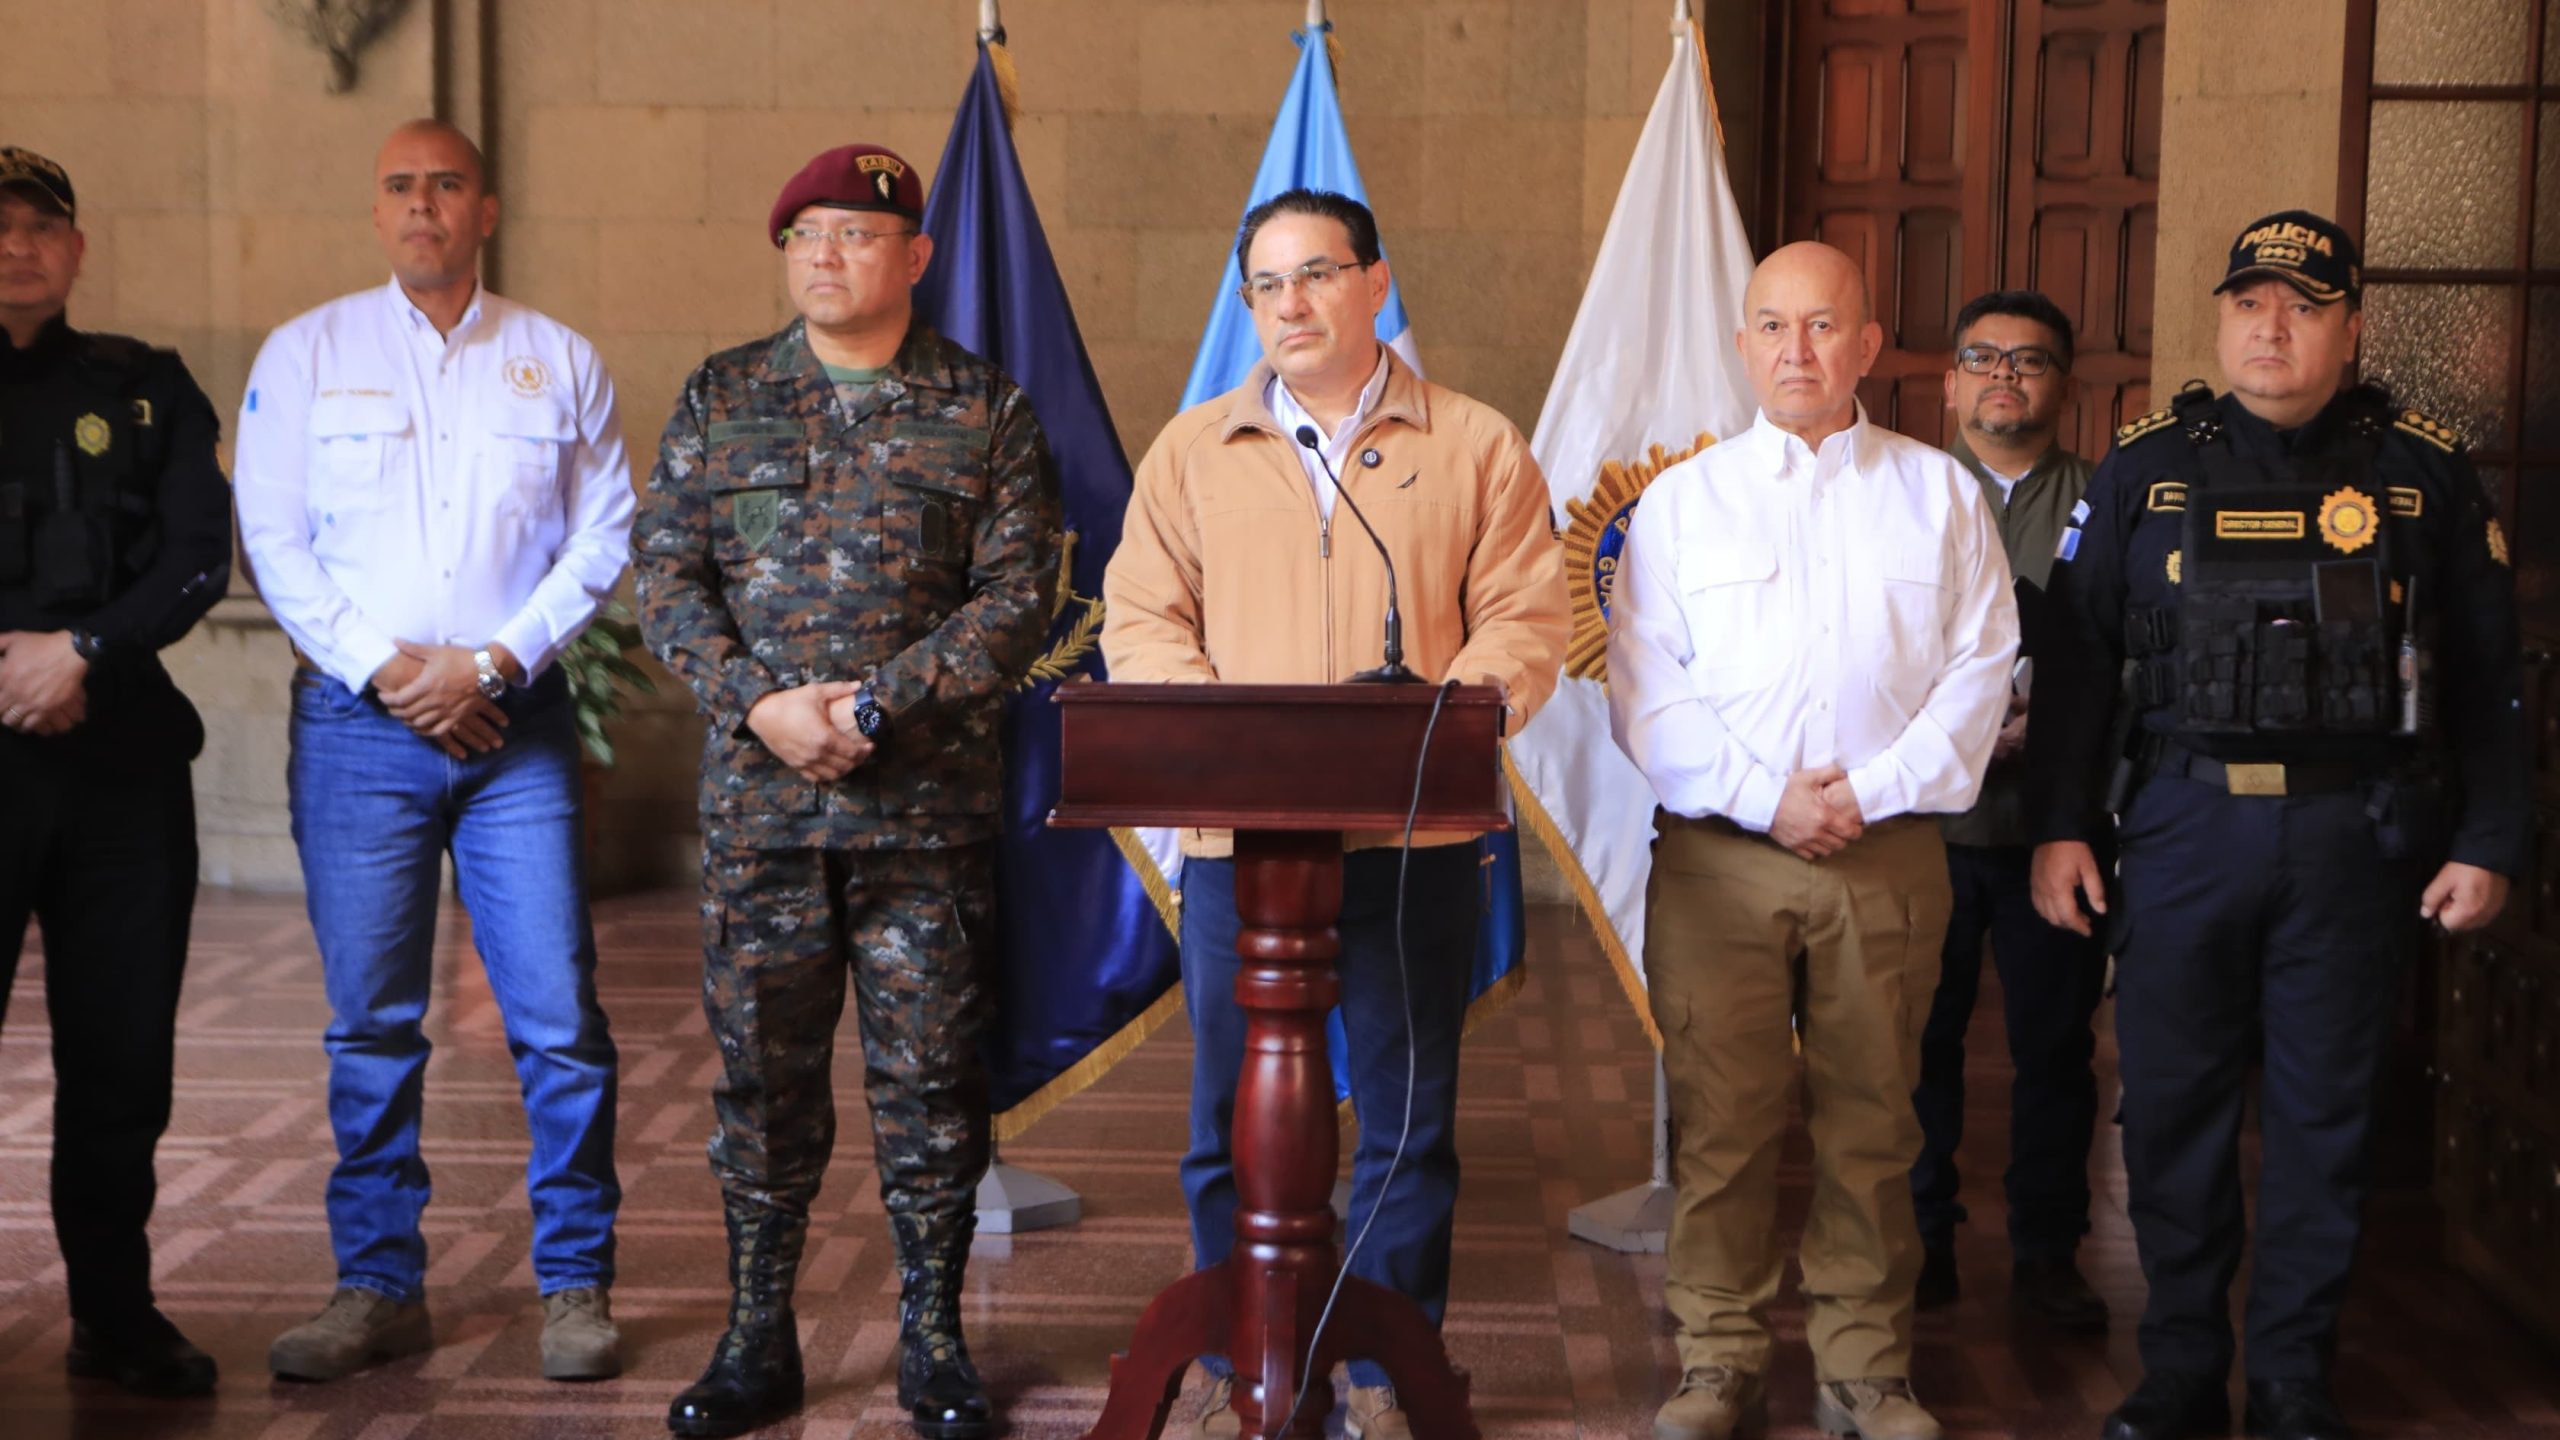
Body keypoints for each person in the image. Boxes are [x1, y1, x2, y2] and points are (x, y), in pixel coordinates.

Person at [2025, 211, 2524, 1440]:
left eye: (2303, 305)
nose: (2272, 326)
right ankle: (2183, 1371)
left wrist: (2490, 838)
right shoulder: (2144, 469)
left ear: (2349, 329)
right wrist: (2059, 825)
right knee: (2175, 1109)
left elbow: (2488, 675)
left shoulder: (2421, 471)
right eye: (2250, 302)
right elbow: (2078, 667)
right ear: (2219, 321)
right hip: (2183, 826)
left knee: (2324, 1114)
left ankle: (2295, 1377)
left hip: (2352, 839)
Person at [1103, 186, 1569, 1440]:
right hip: (1237, 852)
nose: (1292, 303)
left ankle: (1380, 1374)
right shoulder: (1195, 448)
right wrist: (1219, 740)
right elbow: (1141, 619)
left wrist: (1442, 714)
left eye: (1317, 275)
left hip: (1410, 838)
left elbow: (1528, 617)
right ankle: (1233, 1359)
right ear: (1246, 305)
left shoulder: (1471, 442)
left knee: (1407, 1120)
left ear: (1374, 283)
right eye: (1267, 284)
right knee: (1223, 1121)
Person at [634, 142, 1059, 1440]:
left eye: (857, 234)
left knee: (930, 1091)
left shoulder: (985, 410)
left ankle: (933, 1342)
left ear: (916, 258)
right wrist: (763, 707)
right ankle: (757, 1337)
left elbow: (1014, 602)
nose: (826, 254)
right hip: (763, 824)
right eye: (807, 233)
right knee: (763, 1090)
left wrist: (878, 707)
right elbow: (666, 583)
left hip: (922, 824)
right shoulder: (722, 399)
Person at [233, 119, 632, 1384]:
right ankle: (377, 1286)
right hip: (362, 729)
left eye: (445, 187)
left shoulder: (558, 357)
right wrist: (395, 672)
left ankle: (575, 1285)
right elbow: (275, 538)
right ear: (378, 211)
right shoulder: (305, 355)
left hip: (516, 725)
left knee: (559, 1019)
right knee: (372, 1024)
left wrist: (495, 661)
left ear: (486, 210)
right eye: (401, 187)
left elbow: (606, 529)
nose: (423, 207)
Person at [1608, 241, 2017, 1440]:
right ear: (1742, 345)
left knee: (1875, 1121)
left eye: (1823, 326)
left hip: (1884, 853)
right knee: (1722, 1122)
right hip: (1719, 859)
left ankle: (1863, 1367)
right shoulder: (1682, 504)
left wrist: (1869, 789)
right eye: (1773, 327)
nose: (1797, 350)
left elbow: (1979, 672)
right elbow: (1647, 691)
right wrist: (1765, 798)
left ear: (1870, 346)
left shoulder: (1937, 494)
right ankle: (1717, 1357)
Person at [0, 144, 232, 1399]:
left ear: (77, 250)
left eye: (43, 225)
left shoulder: (144, 388)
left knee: (120, 1055)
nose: (19, 245)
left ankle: (115, 1312)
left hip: (121, 771)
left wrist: (81, 648)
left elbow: (199, 554)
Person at [1907, 289, 2110, 1329]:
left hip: (2052, 828)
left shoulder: (2106, 501)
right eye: (1981, 358)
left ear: (2062, 387)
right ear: (1947, 382)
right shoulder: (1898, 493)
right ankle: (1919, 1238)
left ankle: (2045, 1252)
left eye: (2028, 362)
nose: (2003, 377)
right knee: (1913, 1043)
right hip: (1921, 832)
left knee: (2054, 1047)